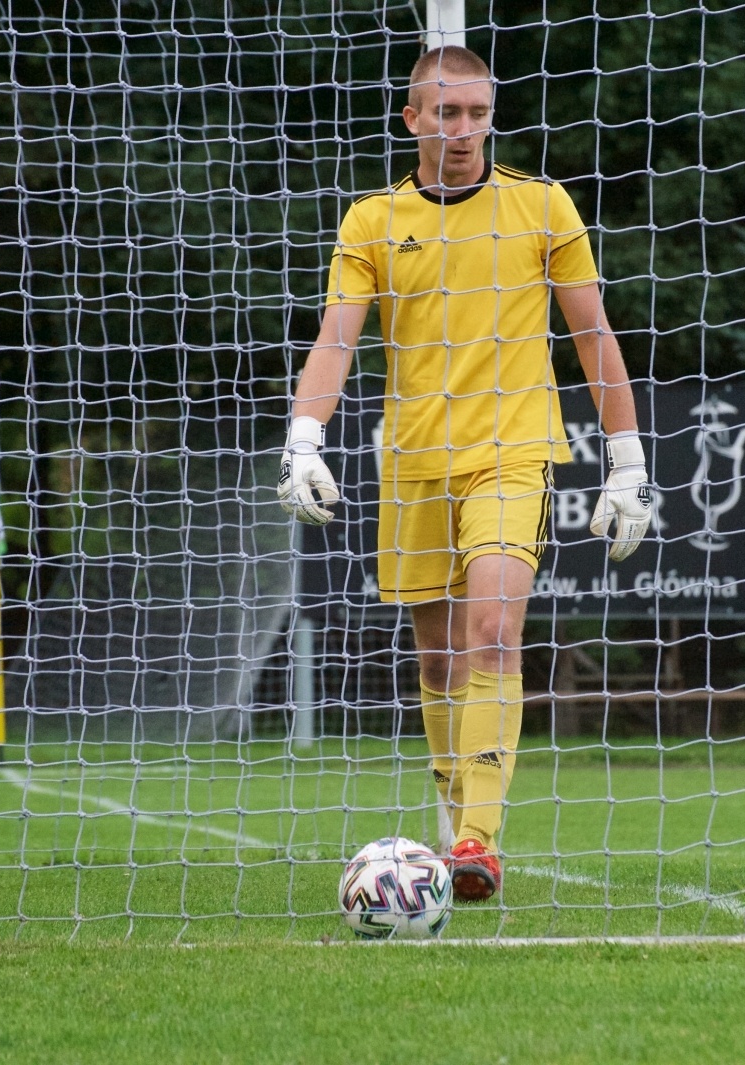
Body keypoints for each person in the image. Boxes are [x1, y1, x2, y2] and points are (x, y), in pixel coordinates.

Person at [277, 45, 652, 902]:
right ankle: (456, 818)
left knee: (492, 628)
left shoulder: (542, 206)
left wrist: (628, 461)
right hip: (413, 461)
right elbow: (338, 337)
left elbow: (594, 335)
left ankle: (479, 838)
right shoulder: (373, 221)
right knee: (441, 657)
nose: (464, 130)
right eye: (447, 114)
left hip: (515, 453)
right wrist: (305, 438)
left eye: (478, 114)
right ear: (413, 119)